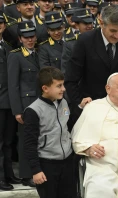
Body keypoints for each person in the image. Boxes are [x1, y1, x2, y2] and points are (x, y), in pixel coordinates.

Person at [65, 5, 118, 126]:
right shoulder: (85, 41)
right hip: (92, 109)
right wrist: (80, 103)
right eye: (113, 31)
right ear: (101, 23)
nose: (117, 36)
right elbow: (71, 79)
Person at [23, 67, 76, 198]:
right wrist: (36, 170)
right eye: (59, 86)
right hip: (47, 166)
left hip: (67, 162)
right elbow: (29, 144)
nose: (63, 89)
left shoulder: (63, 102)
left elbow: (68, 126)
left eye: (63, 85)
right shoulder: (33, 111)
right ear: (45, 88)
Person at [7, 21, 39, 187]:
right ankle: (27, 174)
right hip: (26, 104)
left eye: (32, 36)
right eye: (26, 37)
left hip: (40, 103)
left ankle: (38, 171)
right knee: (26, 139)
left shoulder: (39, 53)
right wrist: (17, 111)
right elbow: (13, 85)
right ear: (20, 39)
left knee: (39, 138)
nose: (30, 40)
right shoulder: (15, 56)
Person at [0, 10, 21, 191]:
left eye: (0, 23)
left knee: (8, 141)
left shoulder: (7, 46)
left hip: (6, 99)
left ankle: (8, 173)